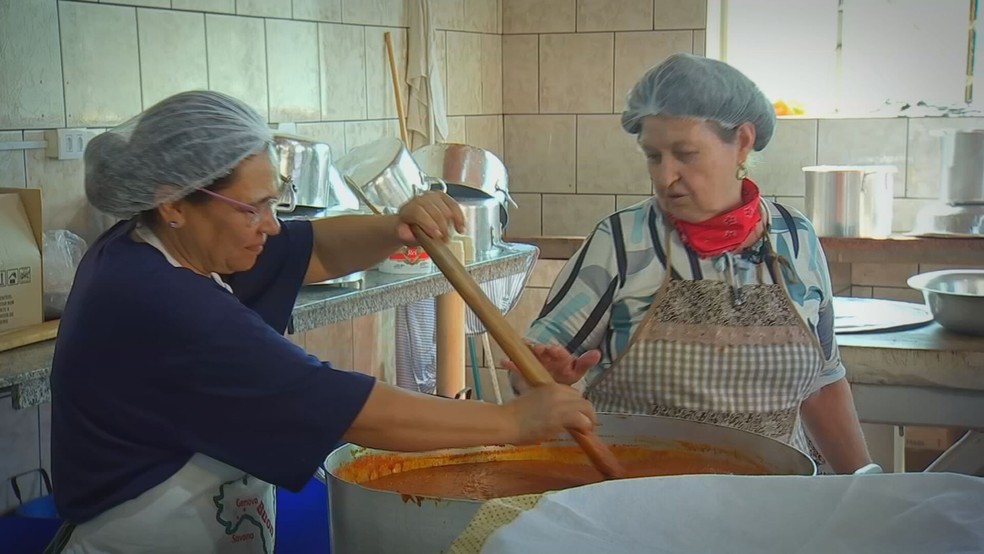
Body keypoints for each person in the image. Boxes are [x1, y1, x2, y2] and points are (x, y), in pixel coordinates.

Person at [47, 90, 597, 553]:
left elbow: (315, 252)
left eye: (275, 202)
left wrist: (393, 229)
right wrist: (512, 423)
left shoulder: (164, 244)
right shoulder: (158, 300)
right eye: (253, 207)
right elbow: (350, 408)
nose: (273, 226)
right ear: (173, 202)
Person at [506, 53, 873, 474]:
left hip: (773, 504)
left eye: (686, 154)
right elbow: (528, 375)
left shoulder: (796, 239)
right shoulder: (623, 243)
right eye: (653, 156)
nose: (666, 177)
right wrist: (541, 376)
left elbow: (823, 385)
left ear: (743, 142)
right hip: (638, 504)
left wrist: (866, 484)